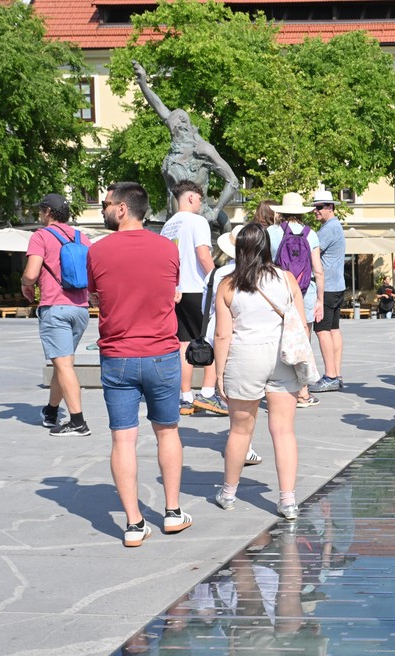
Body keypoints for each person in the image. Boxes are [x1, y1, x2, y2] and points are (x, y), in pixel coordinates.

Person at [88, 181, 192, 547]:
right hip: (162, 353)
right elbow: (171, 290)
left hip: (117, 356)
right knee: (167, 432)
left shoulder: (97, 251)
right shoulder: (168, 249)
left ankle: (133, 524)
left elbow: (94, 293)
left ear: (121, 209)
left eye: (105, 203)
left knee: (123, 438)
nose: (103, 208)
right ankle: (173, 511)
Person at [212, 223, 305, 520]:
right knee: (284, 430)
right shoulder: (286, 279)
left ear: (238, 249)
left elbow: (222, 335)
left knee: (240, 429)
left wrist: (218, 373)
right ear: (268, 247)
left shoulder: (228, 284)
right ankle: (287, 500)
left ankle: (228, 492)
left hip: (245, 355)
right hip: (282, 354)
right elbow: (301, 326)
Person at [132, 60, 239, 231]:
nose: (171, 133)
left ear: (183, 128)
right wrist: (143, 84)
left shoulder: (203, 150)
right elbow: (158, 106)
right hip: (173, 220)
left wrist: (216, 211)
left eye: (174, 130)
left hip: (197, 221)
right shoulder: (177, 137)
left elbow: (233, 181)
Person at [21, 193, 92, 436]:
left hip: (56, 308)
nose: (40, 215)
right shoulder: (82, 237)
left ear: (48, 212)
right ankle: (51, 411)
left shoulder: (40, 237)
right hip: (81, 309)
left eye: (41, 211)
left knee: (63, 365)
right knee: (63, 364)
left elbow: (31, 274)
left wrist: (25, 284)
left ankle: (77, 421)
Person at [158, 180, 225, 416]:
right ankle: (207, 394)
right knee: (211, 340)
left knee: (183, 345)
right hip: (198, 288)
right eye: (199, 199)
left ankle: (184, 397)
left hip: (176, 291)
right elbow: (203, 254)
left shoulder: (168, 226)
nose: (201, 204)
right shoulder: (198, 222)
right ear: (190, 198)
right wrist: (216, 278)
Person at [208, 226, 263, 467]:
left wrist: (218, 372)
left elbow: (208, 308)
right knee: (253, 403)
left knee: (236, 400)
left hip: (226, 336)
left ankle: (240, 445)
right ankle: (246, 445)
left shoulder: (221, 275)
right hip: (256, 342)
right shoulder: (267, 274)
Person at [267, 193, 325, 407]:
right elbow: (318, 271)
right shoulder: (311, 235)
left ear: (280, 211)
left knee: (275, 338)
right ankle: (302, 393)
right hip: (305, 291)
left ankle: (276, 388)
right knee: (303, 341)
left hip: (278, 290)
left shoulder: (271, 232)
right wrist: (319, 299)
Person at [310, 190, 346, 392]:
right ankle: (337, 373)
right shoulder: (335, 226)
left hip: (328, 286)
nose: (315, 211)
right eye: (315, 207)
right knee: (333, 329)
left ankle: (330, 375)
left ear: (330, 207)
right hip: (337, 285)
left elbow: (311, 254)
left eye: (319, 207)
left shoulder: (327, 230)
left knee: (322, 330)